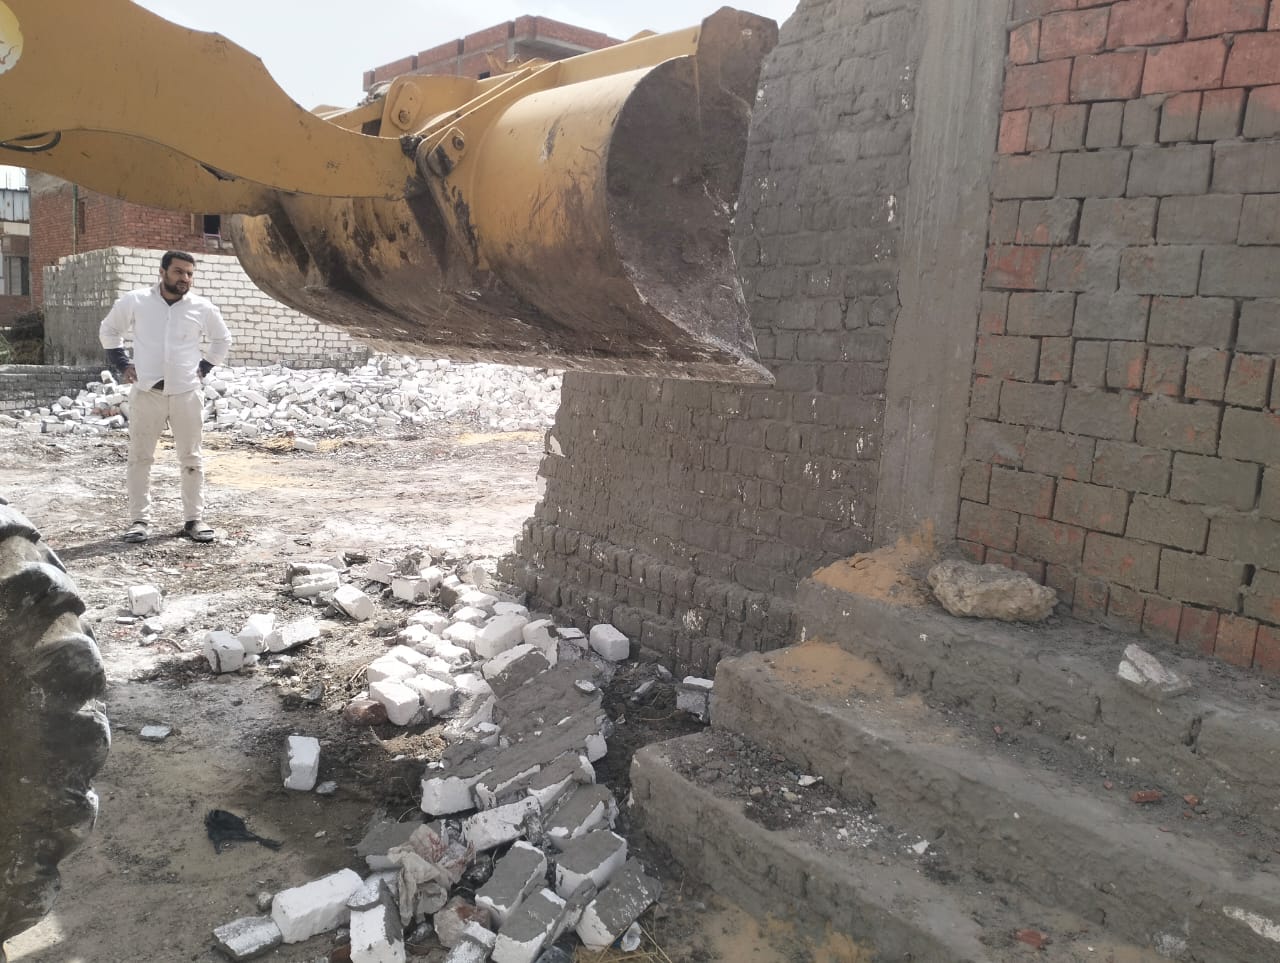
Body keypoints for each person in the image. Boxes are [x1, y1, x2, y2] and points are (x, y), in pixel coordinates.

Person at [99, 250, 231, 543]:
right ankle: (139, 521)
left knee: (191, 458)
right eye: (178, 271)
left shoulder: (201, 307)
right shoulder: (136, 301)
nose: (185, 278)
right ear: (162, 272)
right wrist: (122, 363)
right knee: (140, 457)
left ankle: (194, 520)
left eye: (189, 274)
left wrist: (205, 366)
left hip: (186, 393)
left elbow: (222, 339)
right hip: (148, 392)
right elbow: (109, 330)